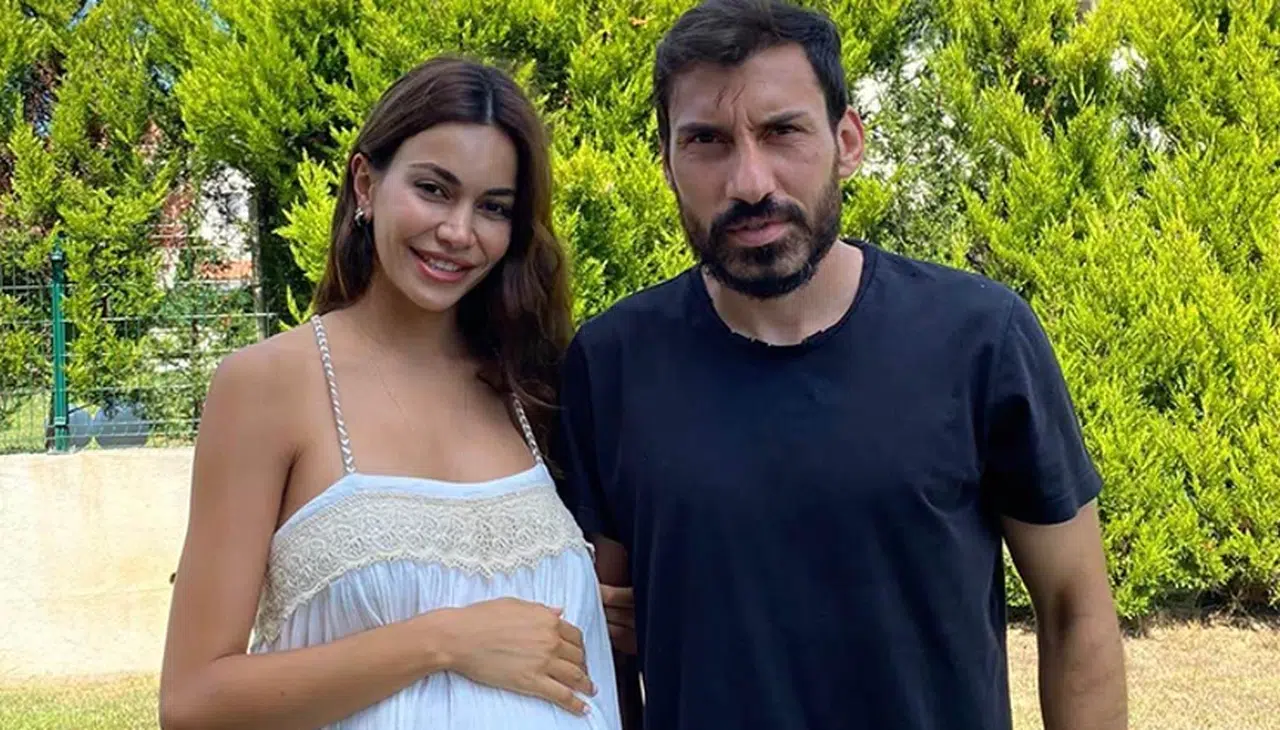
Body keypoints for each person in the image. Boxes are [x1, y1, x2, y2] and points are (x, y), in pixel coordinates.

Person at [555, 1, 1129, 729]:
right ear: (668, 163)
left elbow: (1076, 610)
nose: (750, 181)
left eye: (782, 131)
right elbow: (606, 648)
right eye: (706, 141)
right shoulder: (612, 363)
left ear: (847, 141)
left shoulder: (980, 338)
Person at [159, 56, 622, 730]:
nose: (459, 231)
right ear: (366, 184)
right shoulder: (269, 385)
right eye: (433, 189)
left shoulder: (533, 386)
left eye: (493, 208)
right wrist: (446, 640)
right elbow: (193, 702)